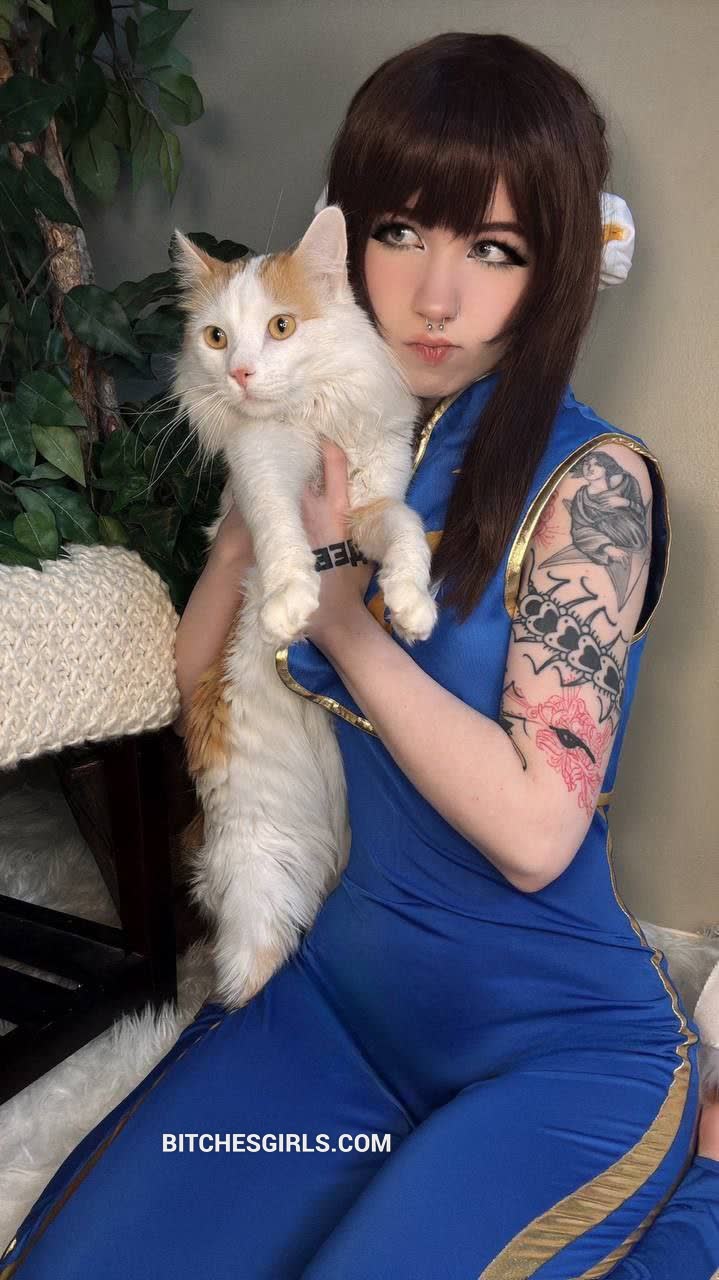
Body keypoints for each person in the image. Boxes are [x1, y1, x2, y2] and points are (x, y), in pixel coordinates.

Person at [2, 30, 718, 1280]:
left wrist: (340, 618)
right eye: (401, 232)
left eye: (493, 249)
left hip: (550, 1042)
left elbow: (536, 833)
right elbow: (195, 673)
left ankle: (699, 1174)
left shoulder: (594, 481)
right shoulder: (337, 433)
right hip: (343, 1000)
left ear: (555, 268)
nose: (436, 298)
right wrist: (252, 506)